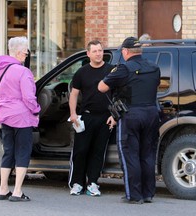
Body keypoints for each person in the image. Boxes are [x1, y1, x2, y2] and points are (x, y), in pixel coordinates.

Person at [98, 37, 160, 204]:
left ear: (125, 51)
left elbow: (101, 87)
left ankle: (133, 195)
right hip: (152, 113)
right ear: (140, 51)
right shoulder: (154, 67)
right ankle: (148, 194)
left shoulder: (124, 69)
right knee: (147, 155)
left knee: (130, 155)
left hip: (132, 115)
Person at [0, 36, 40, 202]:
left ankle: (3, 189)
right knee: (22, 152)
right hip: (22, 117)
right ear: (19, 53)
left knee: (8, 152)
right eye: (26, 53)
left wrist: (0, 110)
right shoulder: (23, 71)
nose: (26, 56)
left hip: (5, 114)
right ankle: (17, 191)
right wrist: (36, 109)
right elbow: (28, 97)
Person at [68, 40, 115, 196]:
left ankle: (93, 183)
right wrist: (73, 114)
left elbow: (118, 95)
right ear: (88, 54)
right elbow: (74, 94)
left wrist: (114, 116)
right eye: (94, 51)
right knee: (80, 151)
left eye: (100, 50)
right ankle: (77, 183)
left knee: (98, 152)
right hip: (85, 117)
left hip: (105, 119)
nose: (98, 53)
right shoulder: (81, 72)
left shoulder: (111, 70)